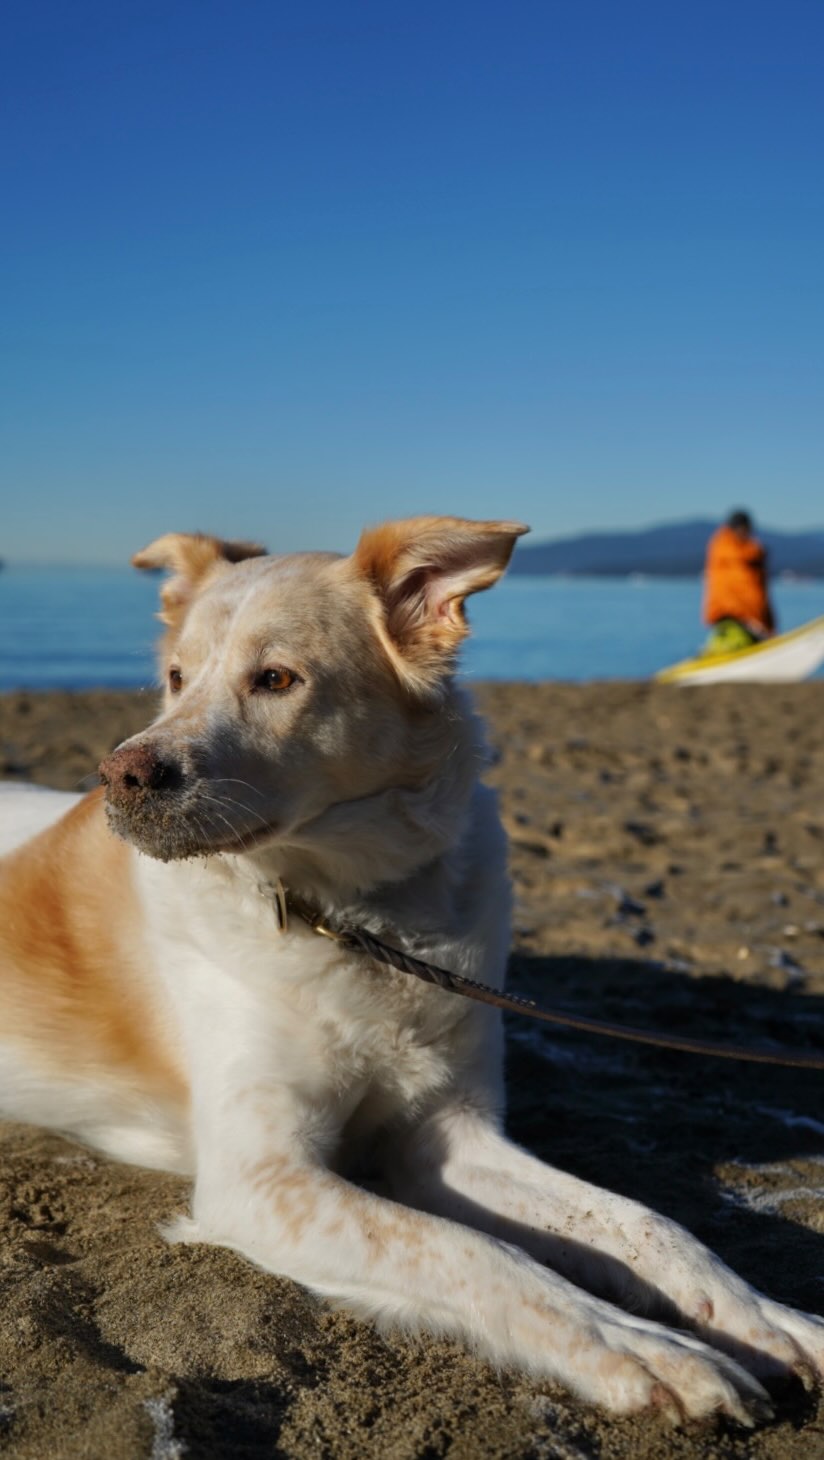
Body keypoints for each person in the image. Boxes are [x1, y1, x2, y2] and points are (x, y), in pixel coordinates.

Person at [702, 510, 776, 655]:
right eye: (741, 528)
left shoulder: (755, 562)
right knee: (734, 643)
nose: (744, 533)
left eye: (746, 529)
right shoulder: (723, 546)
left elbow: (762, 596)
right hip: (731, 616)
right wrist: (757, 552)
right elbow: (738, 561)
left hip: (754, 620)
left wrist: (769, 627)